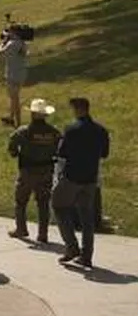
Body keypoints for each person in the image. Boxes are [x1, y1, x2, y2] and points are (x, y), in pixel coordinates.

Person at [54, 97, 110, 269]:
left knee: (58, 206)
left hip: (72, 177)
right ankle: (87, 255)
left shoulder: (71, 129)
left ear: (77, 110)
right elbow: (105, 154)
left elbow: (61, 153)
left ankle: (71, 247)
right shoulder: (101, 130)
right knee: (87, 217)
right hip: (91, 178)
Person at [8, 98, 60, 243]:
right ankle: (43, 234)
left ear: (31, 114)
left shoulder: (23, 131)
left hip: (27, 170)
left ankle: (21, 228)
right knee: (43, 202)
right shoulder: (54, 132)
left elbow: (12, 148)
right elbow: (59, 149)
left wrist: (17, 154)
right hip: (46, 170)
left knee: (21, 201)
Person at [0, 23, 29, 126]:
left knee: (15, 100)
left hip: (12, 74)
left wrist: (3, 42)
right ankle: (11, 117)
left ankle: (18, 123)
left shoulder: (12, 44)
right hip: (20, 73)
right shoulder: (22, 43)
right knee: (13, 98)